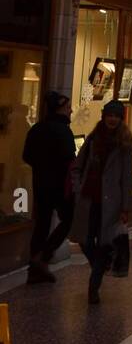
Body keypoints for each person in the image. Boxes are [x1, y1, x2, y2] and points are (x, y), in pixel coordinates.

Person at [69, 100, 132, 305]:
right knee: (84, 240)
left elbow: (126, 178)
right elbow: (77, 167)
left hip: (111, 202)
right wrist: (78, 189)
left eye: (116, 116)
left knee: (105, 243)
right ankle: (101, 265)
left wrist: (125, 207)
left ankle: (93, 288)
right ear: (104, 116)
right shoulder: (92, 140)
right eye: (109, 115)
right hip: (89, 199)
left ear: (120, 118)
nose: (112, 119)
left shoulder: (125, 145)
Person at [21, 91, 76, 284]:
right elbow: (70, 158)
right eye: (68, 107)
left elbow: (26, 156)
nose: (71, 110)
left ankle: (35, 267)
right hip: (60, 185)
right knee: (69, 219)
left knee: (42, 224)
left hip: (41, 184)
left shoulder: (36, 129)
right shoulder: (63, 131)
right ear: (60, 108)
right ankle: (42, 257)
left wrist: (41, 166)